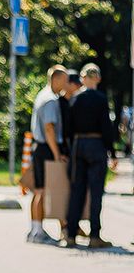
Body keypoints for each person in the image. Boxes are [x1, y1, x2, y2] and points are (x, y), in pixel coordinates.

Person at [62, 64, 115, 249]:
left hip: (78, 146)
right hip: (96, 145)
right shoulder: (100, 99)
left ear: (82, 78)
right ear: (98, 79)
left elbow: (67, 128)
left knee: (77, 191)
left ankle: (70, 235)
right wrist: (113, 153)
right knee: (96, 192)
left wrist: (68, 150)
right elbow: (106, 127)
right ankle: (94, 236)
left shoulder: (75, 99)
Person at [27, 66, 71, 244]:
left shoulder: (42, 95)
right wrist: (57, 153)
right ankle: (37, 233)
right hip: (46, 148)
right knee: (42, 191)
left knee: (39, 190)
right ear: (56, 79)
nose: (66, 84)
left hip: (40, 147)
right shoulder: (51, 100)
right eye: (65, 80)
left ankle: (35, 230)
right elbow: (49, 128)